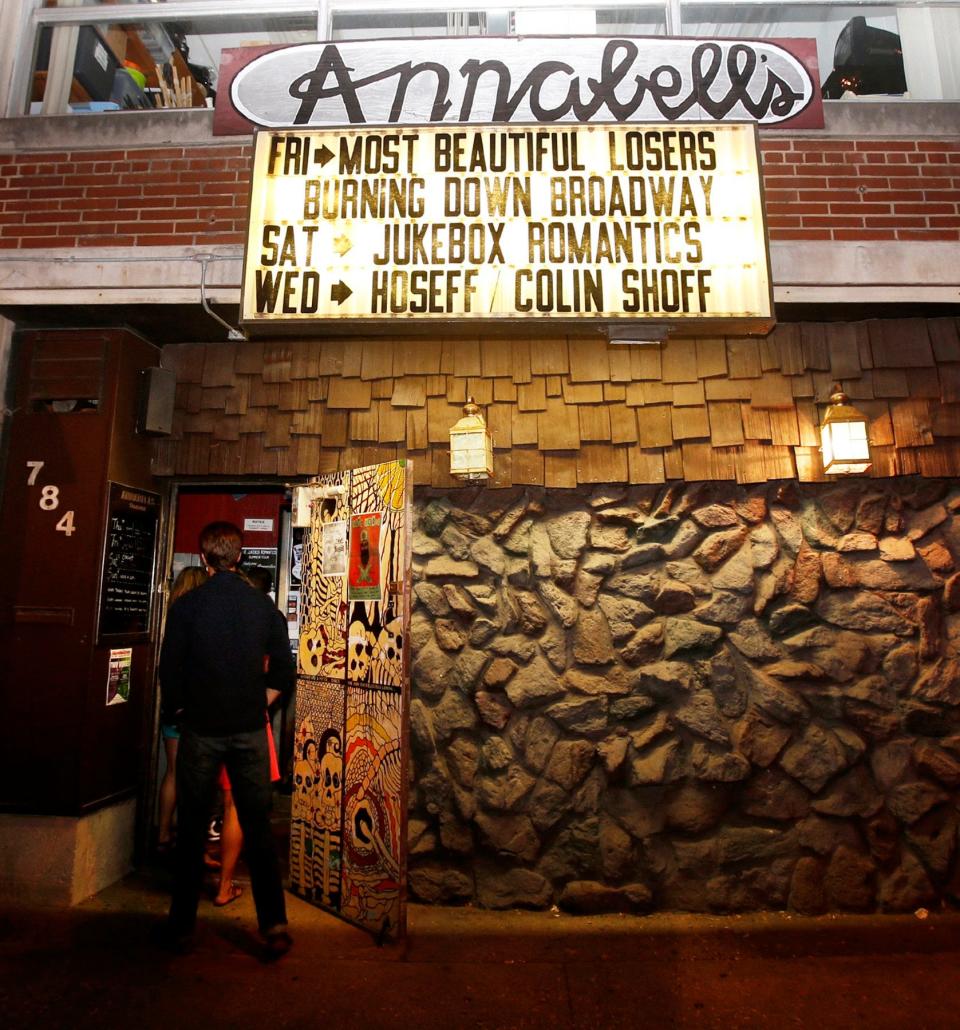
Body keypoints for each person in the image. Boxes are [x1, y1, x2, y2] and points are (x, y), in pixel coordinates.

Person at [158, 522, 295, 959]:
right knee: (257, 828)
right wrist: (259, 705)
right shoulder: (262, 607)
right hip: (249, 732)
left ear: (204, 558)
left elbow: (170, 673)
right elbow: (283, 674)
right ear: (239, 557)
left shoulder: (187, 608)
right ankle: (273, 925)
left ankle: (180, 928)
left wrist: (184, 710)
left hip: (201, 731)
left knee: (193, 828)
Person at [157, 565, 208, 854]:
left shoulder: (169, 616)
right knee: (197, 779)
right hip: (198, 710)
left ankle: (163, 832)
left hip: (173, 708)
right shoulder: (200, 620)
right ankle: (192, 842)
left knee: (173, 773)